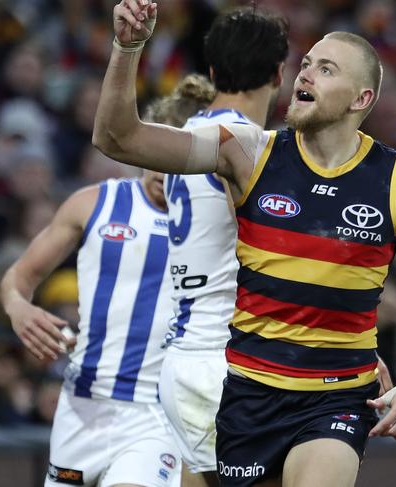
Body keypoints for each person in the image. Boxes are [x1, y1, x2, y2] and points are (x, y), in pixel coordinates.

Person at [92, 2, 396, 486]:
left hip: (336, 396)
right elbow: (116, 138)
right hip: (249, 394)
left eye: (325, 69)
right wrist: (127, 48)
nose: (304, 74)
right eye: (305, 64)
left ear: (361, 98)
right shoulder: (247, 151)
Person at [0, 76, 215, 487]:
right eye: (155, 154)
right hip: (82, 405)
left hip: (156, 412)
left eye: (174, 161)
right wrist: (18, 306)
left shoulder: (216, 224)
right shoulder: (96, 202)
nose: (161, 171)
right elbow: (19, 277)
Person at [156, 8, 288, 487]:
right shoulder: (246, 142)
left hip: (182, 357)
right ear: (279, 73)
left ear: (212, 72)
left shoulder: (184, 138)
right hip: (230, 359)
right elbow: (270, 251)